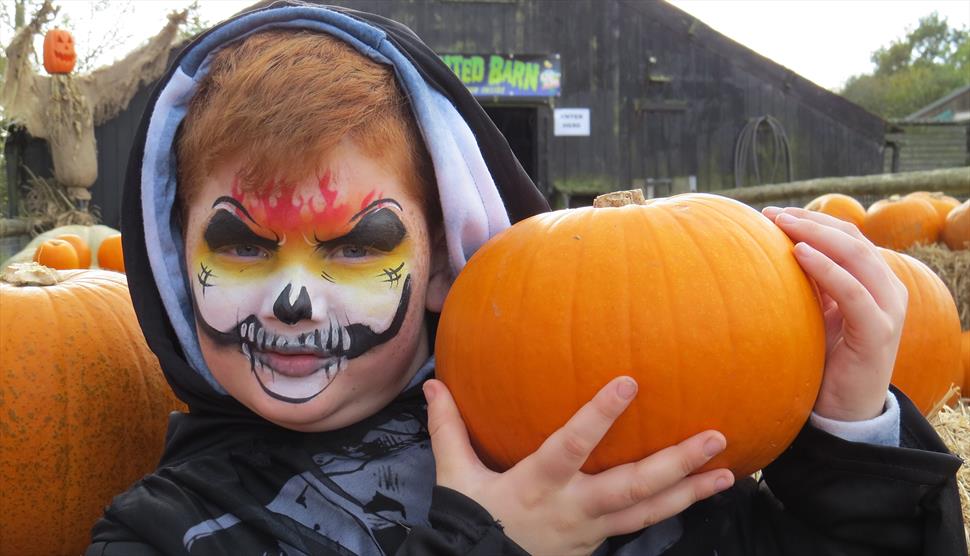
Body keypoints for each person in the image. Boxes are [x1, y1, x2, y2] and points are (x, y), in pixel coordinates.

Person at [86, 3, 965, 555]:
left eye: (357, 245)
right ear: (173, 262)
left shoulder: (598, 454)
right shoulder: (167, 528)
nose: (292, 296)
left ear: (442, 264)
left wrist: (851, 439)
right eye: (241, 244)